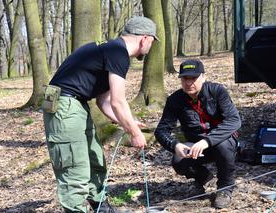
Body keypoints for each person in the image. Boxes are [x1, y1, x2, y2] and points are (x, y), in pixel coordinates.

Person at [43, 16, 158, 213]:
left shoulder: (111, 50)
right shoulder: (118, 52)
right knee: (75, 168)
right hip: (64, 105)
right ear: (144, 39)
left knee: (95, 158)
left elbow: (103, 101)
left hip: (76, 104)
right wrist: (134, 133)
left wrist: (127, 122)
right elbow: (118, 101)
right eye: (152, 42)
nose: (150, 47)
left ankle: (100, 206)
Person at [154, 59, 241, 209]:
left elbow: (234, 121)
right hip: (195, 147)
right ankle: (204, 177)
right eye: (185, 79)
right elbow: (161, 130)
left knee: (223, 146)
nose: (189, 83)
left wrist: (207, 141)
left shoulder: (217, 91)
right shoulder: (175, 100)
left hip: (222, 141)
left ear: (203, 77)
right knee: (178, 161)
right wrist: (175, 145)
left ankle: (225, 188)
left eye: (193, 78)